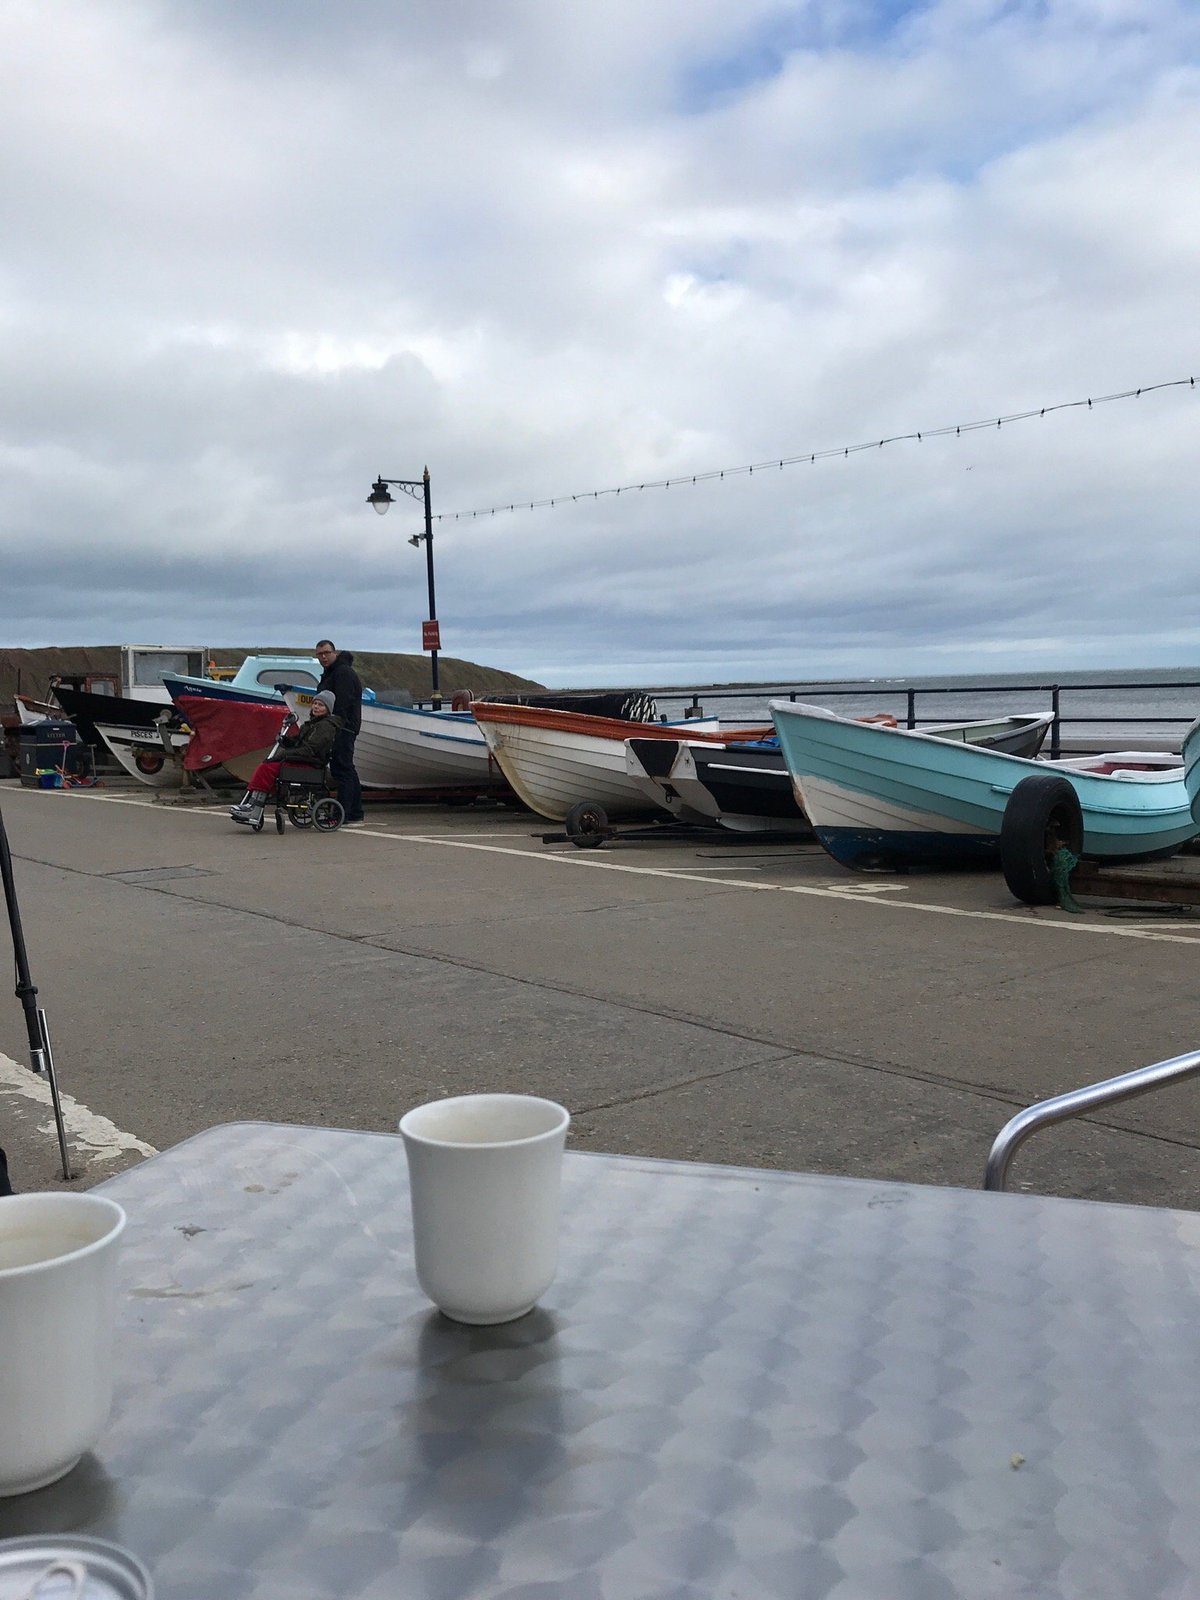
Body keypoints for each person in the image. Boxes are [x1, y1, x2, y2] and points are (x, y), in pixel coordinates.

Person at [230, 692, 341, 827]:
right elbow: (298, 742)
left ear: (328, 709)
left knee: (268, 767)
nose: (316, 707)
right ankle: (253, 804)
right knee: (267, 765)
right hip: (304, 759)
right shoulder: (310, 725)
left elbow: (310, 750)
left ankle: (255, 807)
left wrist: (285, 754)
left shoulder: (325, 727)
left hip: (312, 763)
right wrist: (286, 741)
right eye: (315, 704)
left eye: (321, 705)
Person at [314, 639, 364, 824]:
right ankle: (354, 812)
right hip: (338, 726)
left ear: (334, 652)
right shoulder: (331, 673)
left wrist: (334, 725)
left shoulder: (343, 673)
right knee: (345, 768)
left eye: (326, 653)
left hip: (343, 726)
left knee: (343, 769)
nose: (323, 657)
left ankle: (343, 813)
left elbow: (342, 702)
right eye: (319, 654)